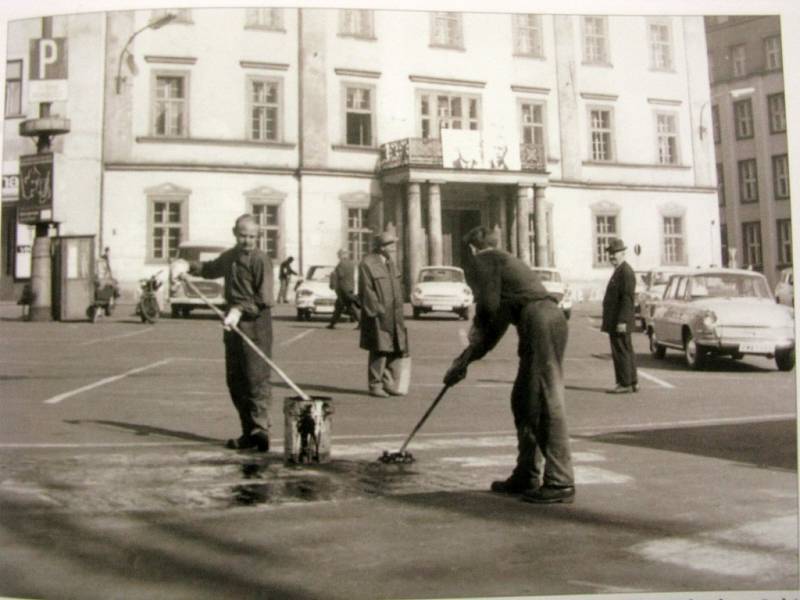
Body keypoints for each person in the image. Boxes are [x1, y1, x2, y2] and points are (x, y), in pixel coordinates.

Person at [443, 226, 575, 504]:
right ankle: (526, 473)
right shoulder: (505, 262)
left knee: (545, 399)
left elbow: (489, 310)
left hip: (540, 321)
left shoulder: (484, 260)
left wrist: (472, 338)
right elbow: (499, 321)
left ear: (471, 249)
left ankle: (560, 481)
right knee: (524, 399)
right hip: (544, 320)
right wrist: (466, 359)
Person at [171, 214, 273, 451]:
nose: (247, 240)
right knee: (235, 381)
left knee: (255, 379)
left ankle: (261, 432)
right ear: (235, 233)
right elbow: (210, 268)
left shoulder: (261, 260)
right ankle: (248, 432)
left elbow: (265, 299)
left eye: (251, 236)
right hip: (232, 324)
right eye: (243, 235)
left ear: (258, 236)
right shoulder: (231, 256)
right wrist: (188, 265)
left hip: (255, 324)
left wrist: (239, 309)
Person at [358, 232, 408, 398]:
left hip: (395, 314)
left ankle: (389, 383)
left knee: (395, 348)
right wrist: (377, 310)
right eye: (391, 245)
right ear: (381, 247)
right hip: (379, 314)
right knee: (379, 349)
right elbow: (366, 291)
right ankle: (375, 384)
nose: (394, 248)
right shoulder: (368, 263)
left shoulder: (390, 262)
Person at [601, 237, 638, 394]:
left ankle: (624, 383)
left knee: (620, 350)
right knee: (625, 349)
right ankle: (632, 381)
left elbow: (627, 298)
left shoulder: (625, 272)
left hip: (620, 320)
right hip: (617, 319)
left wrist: (622, 320)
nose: (611, 257)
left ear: (623, 253)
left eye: (614, 253)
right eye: (610, 253)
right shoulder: (620, 271)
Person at [327, 249, 361, 329]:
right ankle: (332, 323)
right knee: (339, 306)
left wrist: (332, 275)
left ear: (342, 255)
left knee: (350, 307)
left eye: (338, 254)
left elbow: (340, 275)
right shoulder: (351, 263)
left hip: (343, 288)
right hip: (349, 287)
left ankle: (361, 322)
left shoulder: (341, 264)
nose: (338, 256)